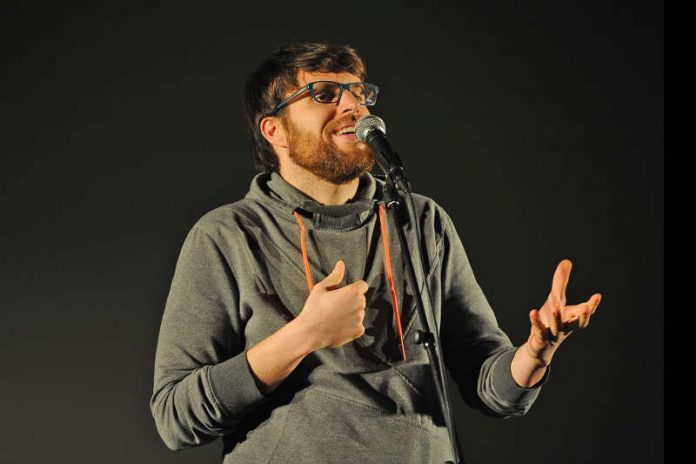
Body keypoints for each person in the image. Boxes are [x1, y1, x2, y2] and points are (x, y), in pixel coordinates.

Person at [149, 42, 602, 463]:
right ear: (275, 130)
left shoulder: (422, 221)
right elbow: (176, 417)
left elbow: (491, 388)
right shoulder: (226, 236)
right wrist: (303, 335)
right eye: (324, 94)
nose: (353, 106)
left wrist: (535, 353)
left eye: (358, 93)